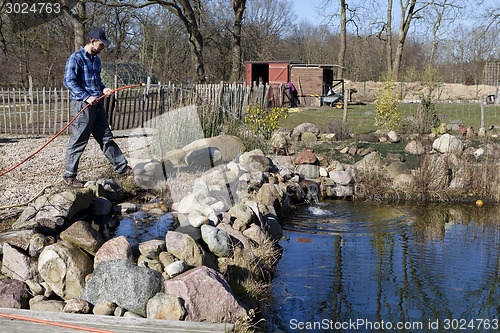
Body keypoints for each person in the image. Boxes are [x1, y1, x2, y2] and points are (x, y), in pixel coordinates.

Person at [63, 27, 132, 188]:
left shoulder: (97, 60)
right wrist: (86, 97)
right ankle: (69, 175)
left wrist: (103, 89)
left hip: (97, 104)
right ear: (92, 41)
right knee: (79, 140)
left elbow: (96, 82)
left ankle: (121, 168)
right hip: (82, 105)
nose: (103, 48)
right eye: (101, 44)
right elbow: (69, 81)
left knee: (106, 137)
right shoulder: (76, 58)